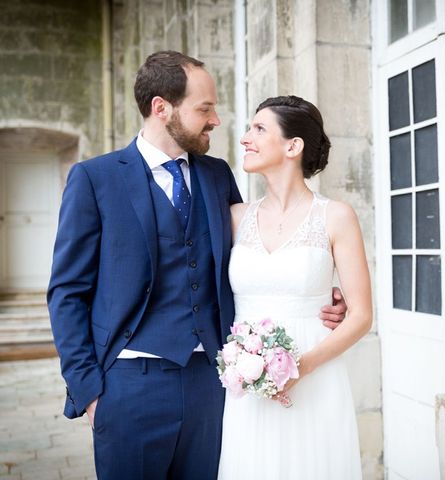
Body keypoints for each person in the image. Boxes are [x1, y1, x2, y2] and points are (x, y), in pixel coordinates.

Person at [47, 51, 345, 479]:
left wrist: (320, 291)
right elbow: (67, 292)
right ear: (161, 108)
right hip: (128, 385)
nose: (216, 121)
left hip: (215, 386)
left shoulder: (217, 174)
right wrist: (90, 392)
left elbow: (257, 254)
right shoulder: (95, 179)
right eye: (204, 109)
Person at [218, 95, 372, 479]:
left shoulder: (335, 216)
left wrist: (298, 370)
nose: (245, 138)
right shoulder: (235, 217)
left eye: (259, 128)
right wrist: (252, 370)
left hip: (315, 376)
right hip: (247, 382)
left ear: (293, 146)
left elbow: (362, 316)